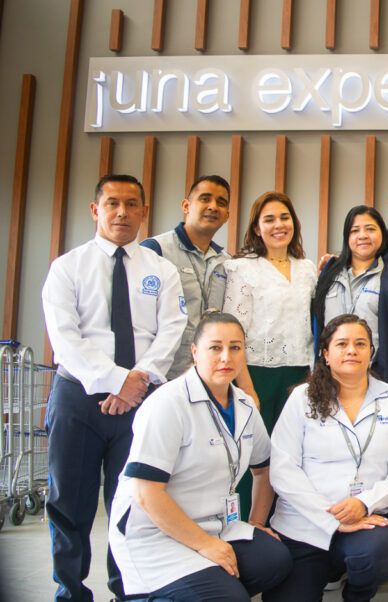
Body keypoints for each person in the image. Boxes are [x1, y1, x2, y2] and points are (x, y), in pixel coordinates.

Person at [41, 174, 187, 601]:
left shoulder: (161, 270)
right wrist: (116, 380)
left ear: (144, 211)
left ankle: (128, 590)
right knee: (69, 502)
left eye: (131, 204)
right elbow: (65, 338)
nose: (121, 212)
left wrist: (136, 381)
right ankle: (70, 592)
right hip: (78, 398)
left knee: (133, 504)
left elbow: (171, 331)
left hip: (142, 400)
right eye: (112, 204)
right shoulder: (67, 267)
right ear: (95, 210)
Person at [107, 312, 292, 600]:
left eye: (235, 348)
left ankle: (206, 586)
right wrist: (204, 544)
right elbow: (146, 493)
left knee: (275, 560)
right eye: (215, 347)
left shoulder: (244, 405)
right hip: (156, 533)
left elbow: (264, 470)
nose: (225, 358)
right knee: (230, 598)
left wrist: (256, 522)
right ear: (195, 352)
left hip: (215, 525)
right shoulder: (167, 404)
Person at [264, 314, 388, 601]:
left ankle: (358, 594)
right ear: (325, 354)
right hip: (304, 524)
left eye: (360, 344)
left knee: (379, 554)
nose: (352, 350)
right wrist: (331, 517)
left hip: (363, 519)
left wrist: (364, 503)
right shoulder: (302, 398)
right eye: (342, 344)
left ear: (371, 353)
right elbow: (283, 469)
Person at [222, 191, 317, 517]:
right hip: (256, 374)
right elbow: (234, 334)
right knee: (254, 454)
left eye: (284, 217)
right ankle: (246, 524)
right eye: (270, 219)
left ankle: (283, 525)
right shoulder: (241, 269)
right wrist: (246, 387)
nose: (279, 225)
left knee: (291, 454)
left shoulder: (306, 269)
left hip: (300, 375)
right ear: (256, 228)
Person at [139, 175, 257, 398]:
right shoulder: (155, 251)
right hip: (158, 380)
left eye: (221, 203)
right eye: (205, 199)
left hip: (207, 381)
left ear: (227, 215)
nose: (213, 206)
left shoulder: (226, 262)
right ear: (186, 205)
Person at [312, 205, 388, 387]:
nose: (362, 235)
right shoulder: (329, 272)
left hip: (374, 375)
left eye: (370, 229)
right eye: (355, 230)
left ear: (382, 236)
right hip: (329, 375)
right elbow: (316, 322)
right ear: (347, 237)